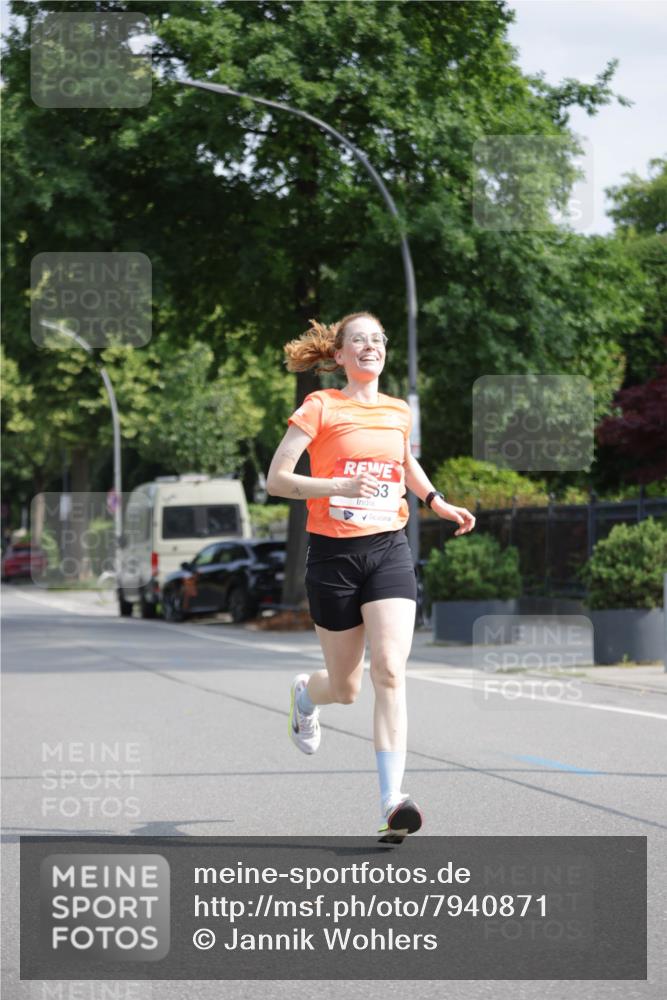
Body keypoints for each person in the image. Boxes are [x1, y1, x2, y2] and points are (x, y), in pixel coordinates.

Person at [266, 311, 475, 842]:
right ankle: (306, 696)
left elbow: (403, 462)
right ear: (339, 355)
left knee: (389, 670)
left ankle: (391, 800)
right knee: (346, 688)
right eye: (358, 340)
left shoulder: (398, 410)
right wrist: (336, 486)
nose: (370, 347)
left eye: (377, 340)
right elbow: (277, 480)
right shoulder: (320, 406)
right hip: (333, 557)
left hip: (388, 550)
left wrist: (436, 500)